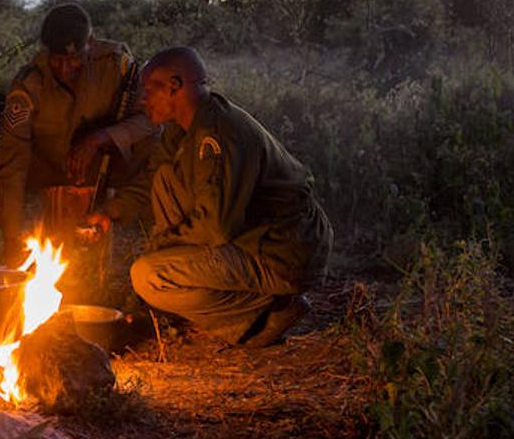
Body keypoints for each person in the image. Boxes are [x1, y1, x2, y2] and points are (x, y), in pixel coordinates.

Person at [84, 47, 332, 347]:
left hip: (285, 250)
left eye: (150, 90)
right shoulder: (184, 127)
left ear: (175, 86)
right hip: (257, 237)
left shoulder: (218, 135)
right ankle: (238, 303)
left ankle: (262, 316)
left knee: (147, 275)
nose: (142, 100)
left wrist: (162, 247)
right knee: (165, 179)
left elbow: (216, 228)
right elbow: (151, 181)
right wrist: (109, 211)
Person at [0, 2, 153, 264]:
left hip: (103, 163)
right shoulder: (29, 84)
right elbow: (14, 159)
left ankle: (158, 247)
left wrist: (101, 138)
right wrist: (11, 238)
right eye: (57, 60)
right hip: (49, 163)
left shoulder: (117, 65)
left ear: (90, 42)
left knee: (157, 146)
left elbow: (150, 119)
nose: (65, 69)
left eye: (75, 59)